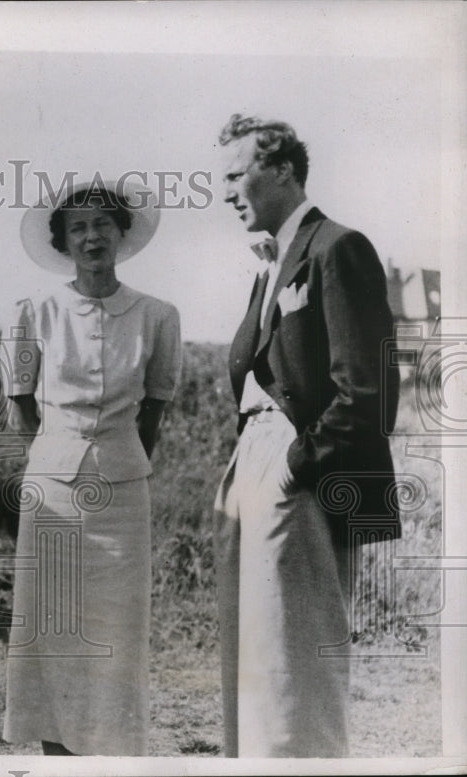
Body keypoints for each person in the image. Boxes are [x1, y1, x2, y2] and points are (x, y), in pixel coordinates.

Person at [214, 114, 400, 757]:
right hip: (254, 466)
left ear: (284, 169)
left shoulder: (337, 247)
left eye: (237, 174)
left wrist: (299, 464)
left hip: (301, 478)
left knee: (296, 666)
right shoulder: (272, 263)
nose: (227, 190)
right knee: (255, 661)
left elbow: (367, 390)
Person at [1, 178, 182, 756]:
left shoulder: (158, 315)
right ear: (63, 241)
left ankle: (111, 758)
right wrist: (57, 459)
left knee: (116, 634)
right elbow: (20, 406)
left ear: (121, 232)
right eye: (77, 227)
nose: (91, 236)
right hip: (51, 494)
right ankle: (56, 757)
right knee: (52, 630)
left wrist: (118, 460)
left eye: (102, 223)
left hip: (124, 495)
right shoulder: (33, 312)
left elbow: (154, 409)